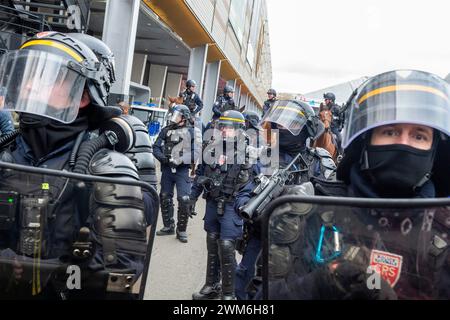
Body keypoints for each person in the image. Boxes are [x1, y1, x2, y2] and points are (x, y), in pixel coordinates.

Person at [265, 70, 450, 300]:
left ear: (434, 152)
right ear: (366, 141)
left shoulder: (444, 226)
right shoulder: (310, 210)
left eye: (419, 136)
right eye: (390, 131)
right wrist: (317, 285)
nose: (403, 144)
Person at [0, 31, 157, 299]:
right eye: (28, 75)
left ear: (83, 96)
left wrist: (49, 272)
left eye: (46, 76)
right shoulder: (8, 152)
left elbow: (118, 276)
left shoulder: (106, 166)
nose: (27, 86)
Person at [234, 101, 336, 300]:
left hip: (305, 246)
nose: (282, 129)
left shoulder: (320, 162)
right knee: (244, 290)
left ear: (308, 130)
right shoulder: (264, 157)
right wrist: (258, 207)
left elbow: (334, 209)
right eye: (278, 125)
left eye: (291, 125)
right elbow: (242, 198)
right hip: (262, 239)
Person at [191, 110, 259, 300]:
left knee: (227, 245)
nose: (224, 130)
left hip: (233, 204)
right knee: (212, 242)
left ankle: (229, 294)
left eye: (229, 127)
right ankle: (212, 285)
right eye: (222, 126)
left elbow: (255, 184)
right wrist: (192, 198)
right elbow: (200, 174)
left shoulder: (249, 153)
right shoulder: (210, 147)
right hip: (213, 201)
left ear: (239, 130)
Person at [152, 104, 201, 243]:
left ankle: (181, 230)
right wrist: (163, 158)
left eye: (177, 115)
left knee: (184, 199)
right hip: (167, 168)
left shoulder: (193, 132)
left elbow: (196, 152)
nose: (174, 118)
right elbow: (155, 147)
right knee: (165, 196)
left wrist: (180, 160)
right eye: (174, 114)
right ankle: (168, 226)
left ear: (184, 118)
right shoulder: (166, 130)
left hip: (182, 170)